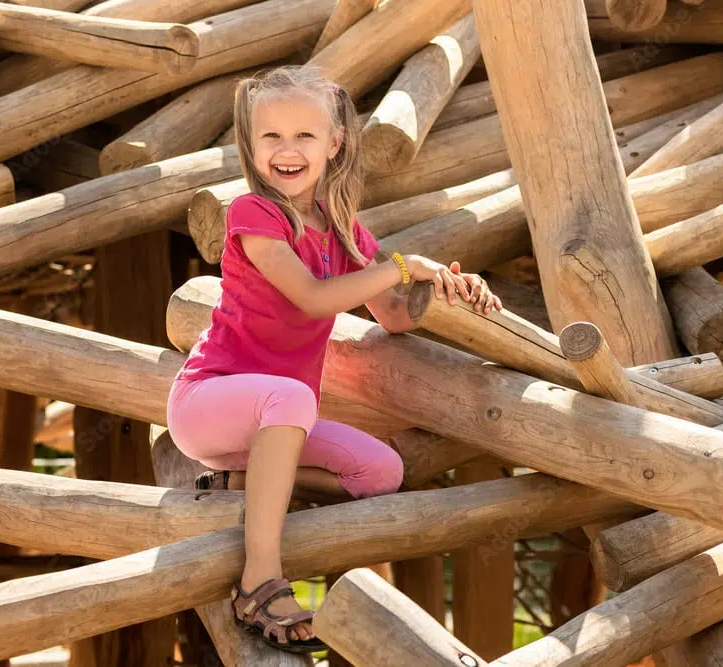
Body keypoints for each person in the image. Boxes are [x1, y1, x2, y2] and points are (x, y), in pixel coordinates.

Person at [166, 64, 501, 654]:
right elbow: (315, 297)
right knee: (292, 395)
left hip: (274, 426)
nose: (287, 151)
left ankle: (240, 480)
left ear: (334, 143)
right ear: (250, 144)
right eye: (271, 136)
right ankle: (258, 581)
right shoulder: (254, 215)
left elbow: (394, 315)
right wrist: (401, 263)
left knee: (380, 472)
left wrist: (449, 285)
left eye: (304, 136)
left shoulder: (343, 231)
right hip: (208, 402)